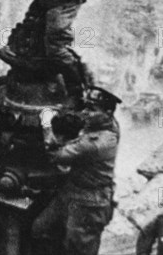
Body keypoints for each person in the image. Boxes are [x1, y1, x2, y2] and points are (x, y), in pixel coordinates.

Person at [31, 86, 121, 255]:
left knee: (78, 248)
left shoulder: (97, 142)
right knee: (39, 228)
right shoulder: (109, 124)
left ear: (108, 112)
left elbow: (54, 154)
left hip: (88, 203)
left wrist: (46, 122)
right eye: (86, 107)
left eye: (92, 109)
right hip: (72, 191)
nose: (86, 112)